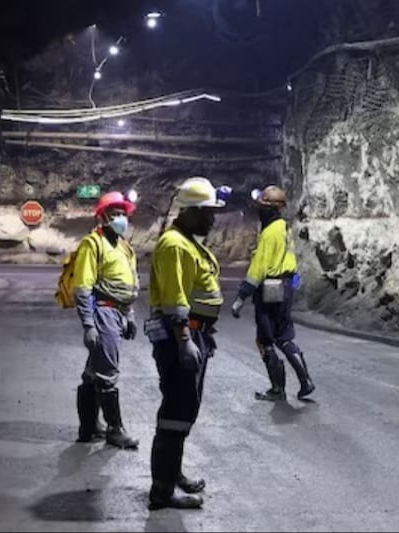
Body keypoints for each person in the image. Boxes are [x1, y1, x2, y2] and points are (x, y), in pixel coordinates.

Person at [144, 176, 229, 510]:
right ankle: (161, 492)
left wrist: (203, 333)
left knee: (184, 410)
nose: (212, 219)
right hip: (182, 335)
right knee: (176, 412)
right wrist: (184, 340)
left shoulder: (188, 242)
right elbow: (176, 298)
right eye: (208, 212)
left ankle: (172, 472)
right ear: (191, 211)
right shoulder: (175, 245)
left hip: (195, 333)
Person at [231, 185, 315, 401]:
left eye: (262, 205)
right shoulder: (285, 228)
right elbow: (292, 261)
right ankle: (306, 381)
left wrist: (242, 296)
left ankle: (278, 389)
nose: (259, 209)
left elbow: (258, 267)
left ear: (269, 208)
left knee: (265, 340)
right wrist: (292, 287)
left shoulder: (269, 233)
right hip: (286, 286)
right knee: (284, 336)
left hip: (270, 288)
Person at [73, 191, 140, 449]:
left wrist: (130, 315)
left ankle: (88, 427)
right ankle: (114, 429)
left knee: (93, 372)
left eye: (123, 214)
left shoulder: (124, 246)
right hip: (103, 312)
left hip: (118, 312)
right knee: (108, 371)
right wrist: (88, 324)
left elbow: (130, 282)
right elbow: (83, 286)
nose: (120, 219)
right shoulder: (93, 243)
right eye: (114, 215)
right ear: (102, 217)